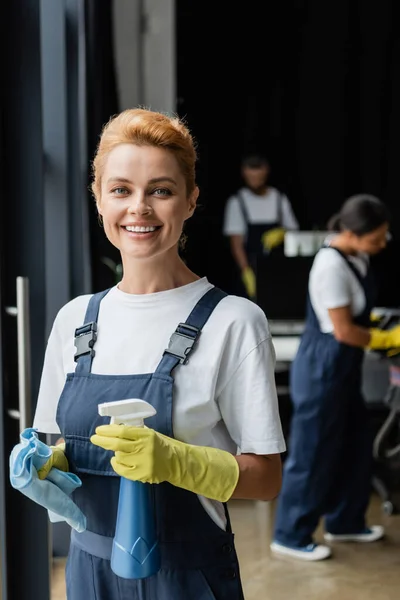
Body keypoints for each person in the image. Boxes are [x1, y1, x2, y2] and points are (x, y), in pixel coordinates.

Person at [28, 108, 285, 599]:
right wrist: (44, 465)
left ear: (190, 201)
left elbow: (267, 478)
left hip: (186, 579)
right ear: (99, 199)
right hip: (88, 576)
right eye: (121, 189)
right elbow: (62, 451)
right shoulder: (75, 321)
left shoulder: (233, 320)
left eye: (161, 190)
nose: (139, 208)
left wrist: (178, 463)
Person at [270, 194, 400, 561]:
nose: (382, 244)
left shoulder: (357, 256)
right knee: (313, 453)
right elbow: (343, 330)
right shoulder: (330, 266)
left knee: (355, 444)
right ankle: (290, 534)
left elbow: (356, 314)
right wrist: (386, 338)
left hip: (345, 368)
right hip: (322, 367)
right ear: (352, 233)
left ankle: (345, 521)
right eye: (376, 237)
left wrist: (374, 325)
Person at [222, 153, 299, 300]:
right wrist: (246, 272)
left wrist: (282, 233)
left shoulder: (279, 198)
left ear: (266, 171)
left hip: (278, 269)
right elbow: (236, 243)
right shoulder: (237, 202)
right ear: (244, 172)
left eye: (259, 173)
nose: (255, 179)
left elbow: (293, 231)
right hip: (252, 268)